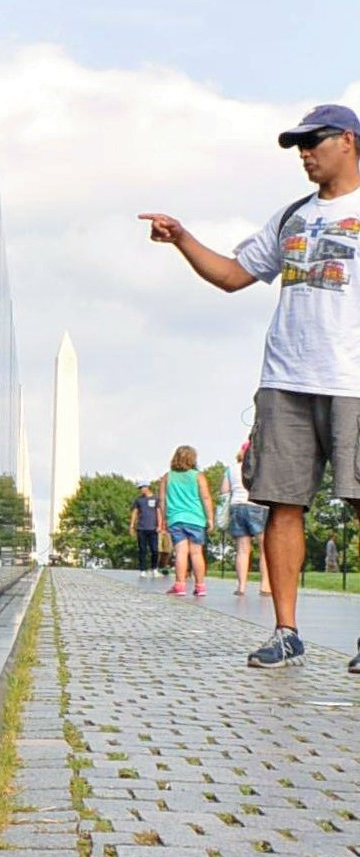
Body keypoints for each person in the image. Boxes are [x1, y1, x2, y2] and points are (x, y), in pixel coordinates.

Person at [140, 103, 360, 669]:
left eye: (314, 141)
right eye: (297, 145)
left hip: (353, 383)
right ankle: (286, 632)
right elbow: (233, 275)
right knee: (282, 506)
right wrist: (183, 238)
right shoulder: (291, 216)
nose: (304, 153)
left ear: (348, 141)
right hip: (285, 381)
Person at [158, 445, 213, 597]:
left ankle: (180, 585)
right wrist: (210, 518)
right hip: (196, 519)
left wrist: (164, 518)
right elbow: (206, 498)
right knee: (196, 553)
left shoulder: (167, 477)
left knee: (181, 552)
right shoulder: (198, 476)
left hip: (176, 519)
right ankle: (200, 587)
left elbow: (162, 500)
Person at [221, 441, 270, 597]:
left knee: (242, 550)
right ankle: (265, 585)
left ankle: (241, 587)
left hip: (237, 506)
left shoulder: (231, 469)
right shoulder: (261, 466)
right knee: (264, 549)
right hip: (257, 506)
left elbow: (224, 491)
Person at [129, 482, 160, 578]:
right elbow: (135, 512)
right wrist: (132, 525)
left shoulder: (156, 498)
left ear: (147, 487)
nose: (141, 490)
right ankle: (142, 569)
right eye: (140, 488)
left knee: (154, 550)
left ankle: (154, 568)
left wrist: (160, 525)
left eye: (142, 487)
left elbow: (159, 512)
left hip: (153, 528)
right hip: (141, 528)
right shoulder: (139, 500)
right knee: (142, 549)